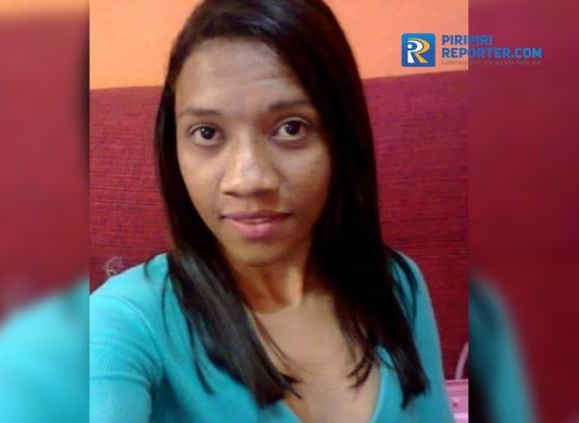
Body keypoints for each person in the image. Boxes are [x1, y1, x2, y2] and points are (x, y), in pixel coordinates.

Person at [90, 0, 454, 421]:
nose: (247, 180)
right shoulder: (124, 321)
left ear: (342, 138)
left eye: (291, 128)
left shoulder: (397, 285)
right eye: (206, 133)